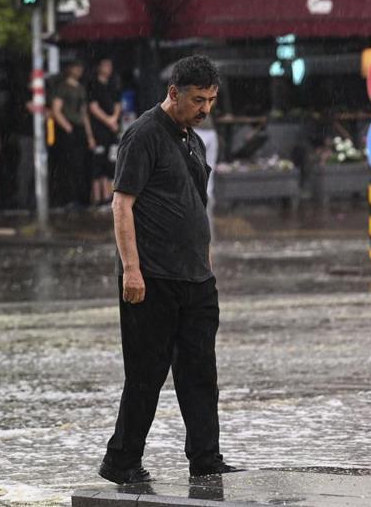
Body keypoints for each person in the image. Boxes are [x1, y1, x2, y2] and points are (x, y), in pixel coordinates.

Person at [99, 55, 237, 484]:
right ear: (173, 93)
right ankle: (121, 463)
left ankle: (206, 460)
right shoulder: (143, 135)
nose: (205, 109)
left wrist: (207, 263)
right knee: (146, 375)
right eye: (198, 99)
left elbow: (197, 207)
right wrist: (132, 271)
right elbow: (122, 204)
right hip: (153, 278)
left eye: (211, 100)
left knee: (200, 374)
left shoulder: (191, 139)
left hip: (196, 279)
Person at [51, 59, 95, 208]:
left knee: (81, 165)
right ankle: (68, 197)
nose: (79, 71)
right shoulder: (62, 87)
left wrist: (89, 135)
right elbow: (56, 110)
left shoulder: (81, 88)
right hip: (68, 129)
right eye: (76, 68)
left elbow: (84, 113)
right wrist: (67, 127)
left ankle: (79, 197)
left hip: (79, 128)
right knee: (68, 164)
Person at [87, 58, 122, 207]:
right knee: (98, 164)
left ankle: (109, 197)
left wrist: (114, 119)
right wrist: (108, 120)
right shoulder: (93, 85)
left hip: (112, 131)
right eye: (105, 65)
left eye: (110, 65)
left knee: (112, 162)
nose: (108, 68)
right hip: (99, 131)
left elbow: (118, 104)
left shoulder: (113, 85)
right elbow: (93, 107)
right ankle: (99, 197)